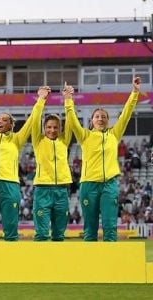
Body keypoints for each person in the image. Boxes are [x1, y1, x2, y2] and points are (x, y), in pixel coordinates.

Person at [65, 77, 141, 241]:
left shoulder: (114, 134)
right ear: (91, 121)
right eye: (97, 116)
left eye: (104, 116)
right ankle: (91, 265)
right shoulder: (84, 135)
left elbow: (126, 114)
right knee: (90, 230)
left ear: (108, 120)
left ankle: (110, 265)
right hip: (88, 185)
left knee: (110, 227)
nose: (100, 118)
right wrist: (68, 100)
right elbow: (72, 120)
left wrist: (134, 92)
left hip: (109, 185)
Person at [0, 82, 40, 241]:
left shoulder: (16, 139)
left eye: (4, 120)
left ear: (11, 125)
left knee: (11, 230)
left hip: (10, 184)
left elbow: (32, 120)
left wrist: (41, 100)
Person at [30, 87, 73, 241]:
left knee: (59, 235)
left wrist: (68, 99)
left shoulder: (64, 140)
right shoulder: (38, 140)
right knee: (41, 234)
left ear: (60, 129)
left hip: (62, 190)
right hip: (42, 189)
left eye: (55, 127)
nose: (52, 130)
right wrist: (41, 99)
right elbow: (35, 119)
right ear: (44, 129)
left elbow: (71, 121)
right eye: (49, 127)